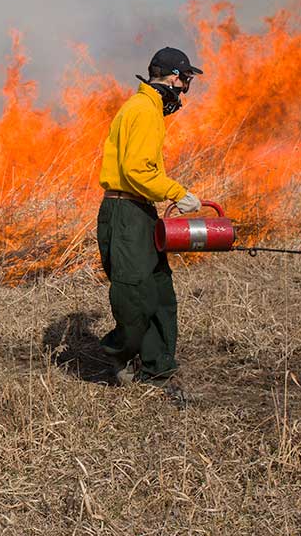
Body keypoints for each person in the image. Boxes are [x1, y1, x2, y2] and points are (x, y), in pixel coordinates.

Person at [97, 47, 204, 391]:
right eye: (186, 79)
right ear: (175, 77)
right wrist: (177, 192)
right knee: (135, 294)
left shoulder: (148, 108)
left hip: (140, 209)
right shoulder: (143, 110)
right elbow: (136, 169)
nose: (185, 87)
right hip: (126, 211)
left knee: (159, 290)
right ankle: (118, 351)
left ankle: (158, 367)